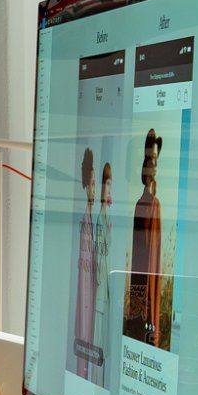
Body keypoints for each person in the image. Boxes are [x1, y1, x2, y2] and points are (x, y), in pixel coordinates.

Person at [127, 130, 163, 346]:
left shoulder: (154, 205)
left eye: (157, 161)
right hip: (142, 279)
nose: (155, 165)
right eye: (152, 160)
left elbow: (155, 253)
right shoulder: (142, 205)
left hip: (151, 278)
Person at [70, 146, 96, 377]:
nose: (95, 190)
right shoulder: (82, 220)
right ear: (86, 185)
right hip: (83, 309)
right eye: (93, 184)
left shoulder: (90, 220)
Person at [90, 159, 113, 382]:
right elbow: (100, 253)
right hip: (100, 291)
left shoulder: (106, 217)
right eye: (107, 185)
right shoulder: (100, 218)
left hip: (104, 292)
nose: (109, 190)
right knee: (98, 343)